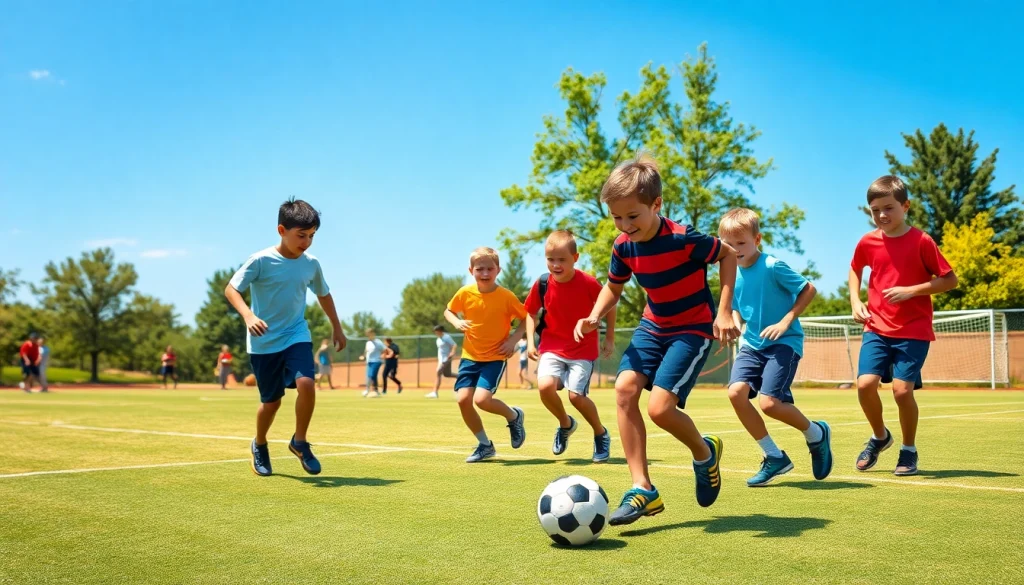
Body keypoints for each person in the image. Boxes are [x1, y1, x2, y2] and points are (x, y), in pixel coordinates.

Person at [576, 154, 740, 526]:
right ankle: (643, 489)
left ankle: (704, 452)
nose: (624, 224)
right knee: (624, 390)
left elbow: (727, 256)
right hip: (653, 325)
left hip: (692, 328)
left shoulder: (685, 238)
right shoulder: (623, 246)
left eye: (632, 216)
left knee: (660, 409)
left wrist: (724, 310)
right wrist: (594, 315)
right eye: (617, 217)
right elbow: (613, 288)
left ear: (656, 205)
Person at [225, 198, 347, 477]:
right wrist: (248, 316)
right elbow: (232, 290)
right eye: (301, 235)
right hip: (263, 342)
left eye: (312, 236)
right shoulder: (260, 260)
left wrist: (337, 327)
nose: (307, 242)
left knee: (307, 383)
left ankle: (300, 442)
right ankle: (260, 444)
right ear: (282, 230)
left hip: (296, 334)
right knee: (271, 403)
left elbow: (323, 294)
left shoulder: (311, 264)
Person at [850, 175, 958, 476]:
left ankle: (908, 450)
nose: (882, 215)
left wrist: (912, 290)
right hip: (876, 326)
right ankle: (880, 437)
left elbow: (950, 280)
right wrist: (855, 301)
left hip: (913, 330)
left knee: (900, 391)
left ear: (905, 206)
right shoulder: (867, 241)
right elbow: (855, 269)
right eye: (875, 210)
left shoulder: (922, 241)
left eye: (889, 208)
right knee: (865, 385)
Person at [717, 208, 833, 487]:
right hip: (752, 345)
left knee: (769, 404)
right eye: (728, 245)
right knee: (736, 393)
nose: (735, 250)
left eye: (741, 243)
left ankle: (816, 434)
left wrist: (785, 321)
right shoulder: (728, 272)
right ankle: (774, 456)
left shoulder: (772, 266)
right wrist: (733, 323)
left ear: (757, 239)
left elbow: (809, 289)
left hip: (783, 343)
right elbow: (734, 308)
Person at [525, 230, 615, 462]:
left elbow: (611, 304)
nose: (555, 265)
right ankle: (566, 424)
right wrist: (530, 341)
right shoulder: (542, 283)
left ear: (575, 258)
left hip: (582, 350)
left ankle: (600, 433)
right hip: (552, 346)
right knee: (545, 387)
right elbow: (530, 312)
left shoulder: (588, 282)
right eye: (550, 259)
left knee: (576, 397)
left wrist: (609, 337)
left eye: (561, 260)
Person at [444, 247, 528, 462]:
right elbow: (449, 311)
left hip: (495, 357)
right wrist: (457, 322)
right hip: (469, 356)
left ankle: (514, 416)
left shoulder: (506, 297)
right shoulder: (465, 293)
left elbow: (526, 319)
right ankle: (484, 445)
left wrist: (512, 340)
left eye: (489, 268)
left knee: (481, 400)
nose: (484, 272)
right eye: (479, 268)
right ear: (471, 270)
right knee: (463, 400)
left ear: (498, 270)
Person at [428, 325, 457, 399]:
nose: (435, 333)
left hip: (446, 359)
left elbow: (454, 345)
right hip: (441, 360)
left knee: (438, 372)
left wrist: (452, 353)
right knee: (447, 374)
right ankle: (462, 376)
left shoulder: (446, 337)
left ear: (440, 331)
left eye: (436, 331)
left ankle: (435, 392)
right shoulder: (438, 339)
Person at [359, 329, 385, 397]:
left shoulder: (378, 342)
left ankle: (375, 390)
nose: (368, 335)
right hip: (369, 361)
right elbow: (366, 351)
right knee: (369, 376)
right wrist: (363, 356)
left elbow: (384, 349)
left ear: (373, 333)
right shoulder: (368, 343)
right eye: (367, 334)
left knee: (372, 375)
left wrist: (383, 355)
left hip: (377, 361)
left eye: (369, 333)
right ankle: (368, 390)